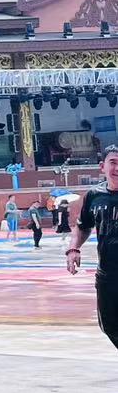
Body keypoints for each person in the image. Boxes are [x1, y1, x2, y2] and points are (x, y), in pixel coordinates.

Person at [66, 146, 118, 353]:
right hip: (107, 275)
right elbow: (83, 225)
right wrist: (73, 249)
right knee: (108, 325)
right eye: (113, 162)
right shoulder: (94, 196)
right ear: (102, 166)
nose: (117, 168)